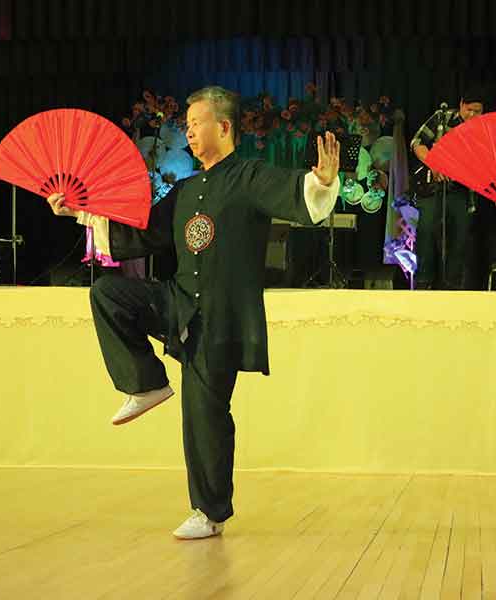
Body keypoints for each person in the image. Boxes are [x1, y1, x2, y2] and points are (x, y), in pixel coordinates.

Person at [46, 85, 341, 539]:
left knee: (204, 414)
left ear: (223, 127)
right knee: (108, 293)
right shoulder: (185, 190)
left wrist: (321, 181)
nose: (188, 131)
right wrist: (79, 212)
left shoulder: (250, 176)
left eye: (195, 123)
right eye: (186, 124)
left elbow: (298, 196)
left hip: (220, 319)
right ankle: (146, 383)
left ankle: (209, 511)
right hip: (178, 302)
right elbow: (141, 231)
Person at [411, 85, 485, 289]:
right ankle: (424, 282)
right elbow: (417, 142)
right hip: (434, 186)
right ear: (461, 105)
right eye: (469, 110)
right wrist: (434, 163)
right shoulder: (442, 118)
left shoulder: (484, 130)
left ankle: (453, 285)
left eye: (477, 111)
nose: (472, 115)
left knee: (460, 238)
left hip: (463, 190)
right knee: (426, 232)